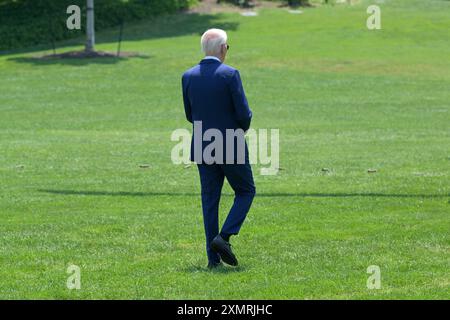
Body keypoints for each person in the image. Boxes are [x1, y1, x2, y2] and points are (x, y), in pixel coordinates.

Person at [181, 28, 256, 269]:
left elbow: (190, 115)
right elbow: (243, 113)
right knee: (246, 191)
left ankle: (213, 261)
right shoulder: (230, 74)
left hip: (203, 144)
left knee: (210, 200)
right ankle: (224, 237)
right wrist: (241, 128)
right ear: (223, 49)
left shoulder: (188, 76)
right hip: (231, 142)